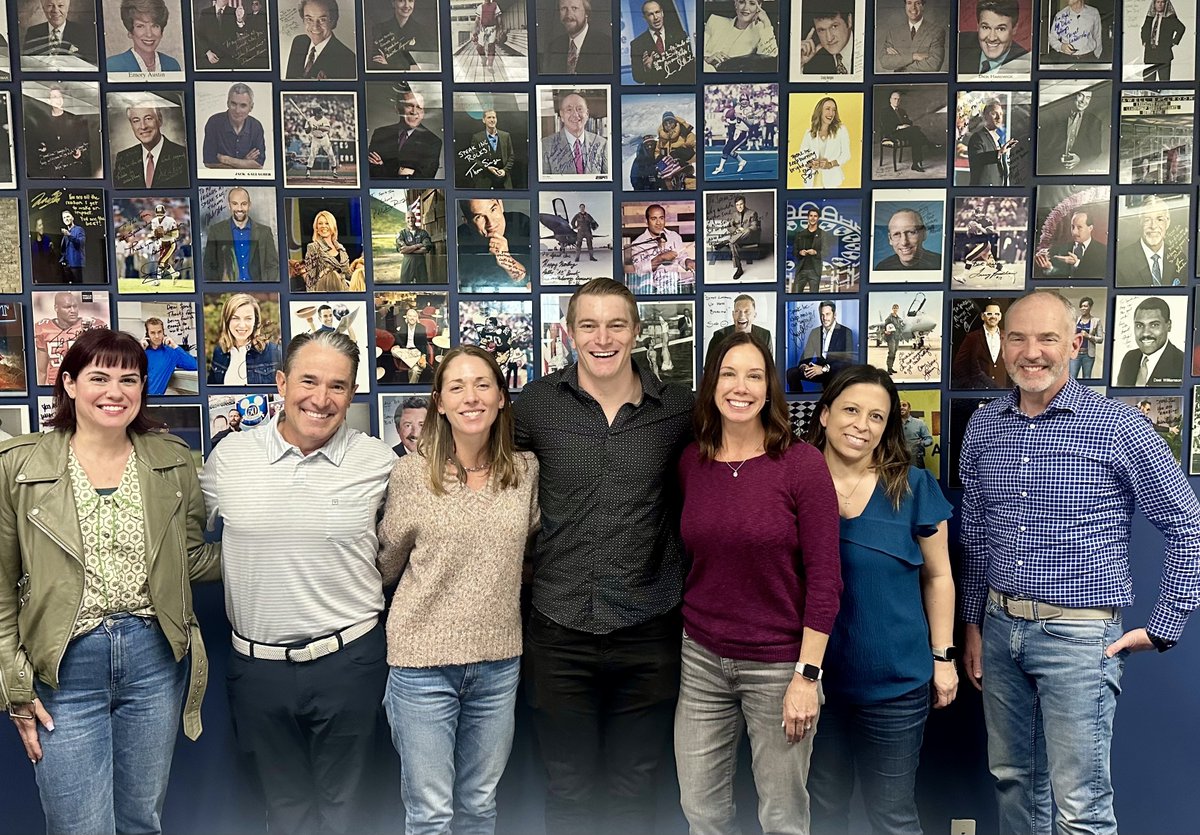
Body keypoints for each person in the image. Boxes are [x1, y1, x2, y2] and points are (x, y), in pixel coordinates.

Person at [959, 290, 1200, 835]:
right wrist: (973, 624)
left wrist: (1163, 627)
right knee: (1013, 781)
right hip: (999, 631)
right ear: (1002, 346)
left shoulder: (1119, 426)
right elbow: (977, 538)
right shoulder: (984, 426)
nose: (1032, 351)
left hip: (1080, 638)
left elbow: (1188, 525)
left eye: (1047, 338)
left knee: (1081, 807)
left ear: (1075, 343)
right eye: (1017, 337)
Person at [0, 329, 220, 835]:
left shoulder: (171, 461)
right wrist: (14, 683)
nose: (114, 392)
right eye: (98, 377)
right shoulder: (20, 466)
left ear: (143, 388)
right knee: (79, 825)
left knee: (142, 819)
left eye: (129, 379)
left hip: (154, 659)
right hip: (63, 666)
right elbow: (2, 586)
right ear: (70, 384)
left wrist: (275, 551)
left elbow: (188, 560)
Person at [513, 278, 694, 835]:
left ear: (636, 331)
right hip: (558, 628)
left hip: (649, 629)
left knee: (635, 789)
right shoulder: (536, 406)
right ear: (568, 333)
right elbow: (492, 484)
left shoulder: (679, 408)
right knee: (566, 789)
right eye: (588, 325)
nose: (602, 338)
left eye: (616, 324)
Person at [200, 331, 397, 835]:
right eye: (308, 380)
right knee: (283, 812)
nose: (321, 398)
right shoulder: (230, 458)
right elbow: (182, 539)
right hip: (257, 668)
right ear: (283, 383)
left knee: (351, 812)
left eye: (338, 386)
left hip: (349, 661)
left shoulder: (378, 462)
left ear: (352, 394)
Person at [675, 332, 841, 835]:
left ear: (770, 388)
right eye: (728, 374)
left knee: (783, 815)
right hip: (701, 658)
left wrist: (807, 677)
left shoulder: (801, 465)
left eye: (753, 376)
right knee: (701, 810)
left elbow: (826, 579)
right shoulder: (692, 463)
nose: (740, 387)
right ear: (711, 384)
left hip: (779, 665)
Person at [378, 346, 539, 835]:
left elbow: (530, 551)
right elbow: (387, 564)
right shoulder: (411, 474)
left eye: (483, 384)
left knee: (479, 805)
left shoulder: (526, 471)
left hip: (498, 663)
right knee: (430, 816)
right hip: (421, 667)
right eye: (456, 387)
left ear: (502, 399)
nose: (471, 397)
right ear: (439, 403)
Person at [803, 366, 956, 835]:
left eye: (876, 416)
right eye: (850, 410)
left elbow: (940, 576)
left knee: (892, 816)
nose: (861, 425)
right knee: (820, 814)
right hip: (812, 686)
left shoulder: (911, 486)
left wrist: (943, 656)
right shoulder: (792, 484)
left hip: (895, 686)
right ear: (825, 415)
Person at [203, 188, 280, 283]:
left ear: (249, 205)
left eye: (244, 204)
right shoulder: (216, 231)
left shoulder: (264, 232)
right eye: (235, 204)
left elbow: (273, 265)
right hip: (227, 291)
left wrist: (266, 286)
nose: (239, 208)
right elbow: (209, 266)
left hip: (257, 291)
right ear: (229, 205)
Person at [456, 198, 532, 292]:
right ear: (466, 221)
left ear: (501, 204)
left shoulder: (521, 224)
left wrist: (505, 258)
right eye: (479, 217)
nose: (491, 223)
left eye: (493, 209)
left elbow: (532, 284)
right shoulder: (459, 239)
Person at [207, 292, 282, 385]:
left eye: (248, 318)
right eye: (235, 318)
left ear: (256, 321)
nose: (242, 325)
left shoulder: (274, 352)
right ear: (227, 321)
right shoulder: (219, 352)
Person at [367, 87, 443, 179]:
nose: (414, 112)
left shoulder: (433, 142)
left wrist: (384, 167)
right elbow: (370, 171)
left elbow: (424, 178)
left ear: (423, 112)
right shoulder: (380, 134)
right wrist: (402, 171)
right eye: (409, 105)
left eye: (419, 107)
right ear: (398, 109)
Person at [35, 292, 106, 387]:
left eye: (75, 306)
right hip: (55, 385)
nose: (73, 310)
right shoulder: (43, 328)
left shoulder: (91, 325)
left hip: (83, 385)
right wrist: (41, 392)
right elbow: (41, 371)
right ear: (56, 308)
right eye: (67, 307)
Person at [113, 103, 190, 189]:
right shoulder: (123, 159)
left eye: (148, 118)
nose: (143, 126)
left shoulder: (184, 155)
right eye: (136, 121)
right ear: (131, 125)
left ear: (160, 120)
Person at [28, 84, 93, 179]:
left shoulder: (74, 120)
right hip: (51, 174)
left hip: (73, 172)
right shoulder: (42, 122)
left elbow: (84, 143)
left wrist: (80, 152)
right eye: (54, 97)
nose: (57, 100)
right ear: (48, 100)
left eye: (59, 96)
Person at [1115, 296, 1183, 387]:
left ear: (1169, 325)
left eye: (1154, 325)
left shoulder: (1182, 363)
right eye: (1139, 325)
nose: (1145, 333)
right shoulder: (1129, 358)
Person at [787, 300, 853, 391]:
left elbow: (847, 362)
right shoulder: (815, 332)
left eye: (827, 314)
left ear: (835, 315)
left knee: (833, 379)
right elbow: (806, 355)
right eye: (822, 315)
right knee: (791, 373)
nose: (824, 318)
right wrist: (804, 366)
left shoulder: (846, 332)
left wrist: (823, 369)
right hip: (817, 370)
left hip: (835, 371)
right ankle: (797, 402)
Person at [630, 203, 695, 294]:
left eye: (661, 218)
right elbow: (639, 271)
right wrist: (660, 258)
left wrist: (687, 261)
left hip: (673, 289)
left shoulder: (674, 237)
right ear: (646, 221)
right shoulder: (637, 244)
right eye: (654, 219)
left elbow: (682, 258)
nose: (658, 223)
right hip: (650, 292)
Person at [1115, 196, 1179, 286]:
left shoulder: (1179, 258)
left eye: (1159, 219)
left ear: (1167, 223)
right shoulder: (1121, 261)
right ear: (1140, 222)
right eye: (1147, 220)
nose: (1153, 226)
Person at [284, 0, 356, 79]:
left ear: (333, 21)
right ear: (303, 20)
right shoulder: (298, 42)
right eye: (309, 19)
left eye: (322, 20)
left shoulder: (348, 59)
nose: (315, 27)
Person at [542, 92, 608, 176]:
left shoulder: (602, 144)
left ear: (587, 114)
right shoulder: (545, 145)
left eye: (579, 109)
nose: (575, 114)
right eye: (569, 110)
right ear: (562, 115)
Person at [202, 83, 266, 170]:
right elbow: (209, 162)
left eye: (243, 105)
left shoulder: (256, 126)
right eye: (233, 104)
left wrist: (226, 159)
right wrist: (244, 162)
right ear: (227, 103)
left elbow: (258, 164)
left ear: (251, 107)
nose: (237, 110)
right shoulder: (214, 123)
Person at [1038, 89, 1103, 175]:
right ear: (1072, 95)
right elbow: (1042, 146)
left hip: (1077, 174)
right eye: (1081, 95)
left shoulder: (1094, 121)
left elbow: (1096, 151)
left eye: (1088, 97)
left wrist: (1080, 159)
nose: (1084, 101)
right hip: (1051, 171)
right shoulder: (1055, 116)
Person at [107, 0, 181, 73]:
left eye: (155, 26)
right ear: (130, 32)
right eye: (140, 26)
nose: (149, 34)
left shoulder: (172, 65)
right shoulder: (113, 66)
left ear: (161, 32)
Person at [630, 0, 695, 83]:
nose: (656, 17)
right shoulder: (637, 44)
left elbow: (690, 68)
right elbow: (637, 78)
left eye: (657, 12)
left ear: (662, 13)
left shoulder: (680, 35)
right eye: (650, 14)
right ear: (645, 18)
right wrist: (647, 69)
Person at [957, 0, 1028, 76]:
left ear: (1014, 29)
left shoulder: (1026, 64)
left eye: (1001, 29)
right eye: (985, 27)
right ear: (977, 26)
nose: (992, 38)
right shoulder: (958, 45)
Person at [702, 0, 778, 71]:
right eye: (742, 2)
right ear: (736, 4)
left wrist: (767, 22)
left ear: (759, 6)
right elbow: (695, 54)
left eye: (752, 3)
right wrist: (707, 59)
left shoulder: (761, 30)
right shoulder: (715, 22)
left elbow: (769, 58)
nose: (746, 8)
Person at [541, 0, 612, 74]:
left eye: (574, 8)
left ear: (586, 13)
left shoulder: (607, 45)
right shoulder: (553, 47)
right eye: (564, 8)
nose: (568, 15)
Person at [703, 294, 771, 370]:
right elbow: (708, 368)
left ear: (754, 315)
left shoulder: (765, 336)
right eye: (737, 311)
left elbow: (769, 368)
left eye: (747, 311)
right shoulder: (719, 336)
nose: (741, 316)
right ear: (733, 314)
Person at [22, 0, 98, 65]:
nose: (55, 10)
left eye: (60, 6)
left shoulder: (83, 32)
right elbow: (27, 63)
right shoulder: (33, 32)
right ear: (43, 8)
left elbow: (90, 64)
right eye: (50, 5)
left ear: (67, 7)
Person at [1034, 210, 1106, 279]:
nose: (1074, 232)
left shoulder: (1103, 251)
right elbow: (1058, 278)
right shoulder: (1059, 249)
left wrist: (1077, 264)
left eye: (1079, 227)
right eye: (1072, 227)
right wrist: (1049, 268)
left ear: (1090, 228)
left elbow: (1100, 276)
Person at [953, 302, 1009, 389]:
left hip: (1002, 391)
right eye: (989, 314)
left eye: (996, 314)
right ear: (982, 316)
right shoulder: (972, 338)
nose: (993, 317)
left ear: (1000, 317)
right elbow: (959, 365)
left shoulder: (1007, 337)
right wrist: (971, 386)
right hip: (979, 391)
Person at [878, 0, 945, 71]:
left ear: (923, 6)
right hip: (899, 81)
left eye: (917, 3)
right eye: (909, 3)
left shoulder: (936, 32)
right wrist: (914, 56)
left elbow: (934, 65)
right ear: (905, 6)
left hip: (922, 82)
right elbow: (884, 62)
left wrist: (899, 62)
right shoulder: (893, 33)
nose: (913, 7)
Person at [369, 0, 437, 69]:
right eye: (401, 1)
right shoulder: (379, 29)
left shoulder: (424, 32)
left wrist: (389, 65)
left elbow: (426, 66)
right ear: (393, 3)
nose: (406, 6)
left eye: (410, 1)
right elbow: (376, 64)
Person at [799, 96, 851, 188]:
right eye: (827, 109)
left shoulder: (841, 130)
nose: (831, 113)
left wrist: (830, 164)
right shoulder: (809, 133)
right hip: (812, 182)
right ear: (820, 111)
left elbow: (846, 154)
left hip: (833, 180)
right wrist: (810, 163)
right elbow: (802, 157)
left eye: (834, 110)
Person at [878, 90, 933, 173]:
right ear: (890, 100)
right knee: (916, 131)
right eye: (895, 99)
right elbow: (886, 126)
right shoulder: (885, 111)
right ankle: (928, 145)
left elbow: (909, 122)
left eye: (899, 99)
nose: (897, 101)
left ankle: (915, 164)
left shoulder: (902, 111)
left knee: (915, 135)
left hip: (904, 133)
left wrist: (907, 125)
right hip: (892, 134)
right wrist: (899, 127)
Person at [967, 99, 1019, 186]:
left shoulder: (997, 138)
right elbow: (977, 159)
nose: (999, 118)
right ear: (985, 116)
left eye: (1001, 114)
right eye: (994, 113)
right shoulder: (978, 137)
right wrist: (999, 152)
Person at [142, 317, 197, 396]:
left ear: (163, 332)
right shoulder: (142, 352)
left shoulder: (171, 352)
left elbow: (194, 365)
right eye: (153, 333)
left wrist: (174, 346)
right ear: (147, 334)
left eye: (159, 332)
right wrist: (139, 349)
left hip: (155, 400)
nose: (157, 336)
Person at [796, 0, 853, 73]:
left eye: (834, 26)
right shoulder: (813, 59)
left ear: (849, 20)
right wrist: (799, 64)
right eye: (821, 30)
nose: (829, 38)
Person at [876, 209, 941, 271]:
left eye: (911, 232)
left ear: (924, 234)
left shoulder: (940, 263)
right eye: (896, 234)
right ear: (890, 239)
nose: (904, 242)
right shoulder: (882, 267)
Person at [303, 211, 352, 293]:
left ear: (333, 226)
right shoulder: (313, 247)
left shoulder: (341, 248)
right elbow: (310, 279)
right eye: (320, 223)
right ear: (316, 228)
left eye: (327, 223)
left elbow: (347, 274)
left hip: (344, 292)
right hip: (324, 292)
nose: (323, 226)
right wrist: (311, 299)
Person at [467, 109, 516, 189]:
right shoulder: (477, 138)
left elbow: (511, 156)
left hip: (503, 182)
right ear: (484, 120)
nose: (492, 120)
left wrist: (505, 170)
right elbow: (473, 159)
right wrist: (486, 167)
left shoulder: (505, 136)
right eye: (489, 117)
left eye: (494, 117)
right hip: (485, 182)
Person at [1142, 0, 1186, 80]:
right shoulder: (1150, 17)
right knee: (1148, 81)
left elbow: (1181, 28)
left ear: (1166, 4)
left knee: (1164, 80)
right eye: (1158, 2)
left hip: (1164, 54)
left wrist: (1173, 42)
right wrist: (1144, 41)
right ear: (1154, 4)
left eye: (1162, 2)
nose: (1160, 5)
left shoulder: (1170, 18)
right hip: (1150, 53)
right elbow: (1144, 29)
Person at [723, 194, 760, 281]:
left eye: (741, 204)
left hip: (748, 237)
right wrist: (735, 230)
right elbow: (729, 226)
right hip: (738, 238)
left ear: (744, 203)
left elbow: (755, 227)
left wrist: (743, 229)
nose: (739, 206)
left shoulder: (752, 213)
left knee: (748, 230)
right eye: (737, 205)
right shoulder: (734, 214)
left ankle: (727, 241)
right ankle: (739, 269)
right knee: (733, 244)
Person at [656, 111, 697, 189]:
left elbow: (698, 152)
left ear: (675, 122)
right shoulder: (661, 139)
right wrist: (658, 158)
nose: (668, 125)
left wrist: (686, 158)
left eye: (671, 122)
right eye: (666, 123)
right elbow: (657, 152)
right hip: (667, 176)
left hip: (684, 171)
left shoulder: (686, 134)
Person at [389, 307, 431, 384]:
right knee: (393, 351)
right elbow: (398, 339)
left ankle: (412, 390)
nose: (412, 318)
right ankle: (414, 362)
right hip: (406, 351)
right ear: (406, 317)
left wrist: (423, 356)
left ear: (417, 318)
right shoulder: (402, 327)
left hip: (416, 351)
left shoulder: (421, 328)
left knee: (415, 370)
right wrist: (397, 345)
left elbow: (423, 344)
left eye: (414, 316)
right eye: (410, 316)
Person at [1070, 296, 1103, 379]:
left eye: (1085, 306)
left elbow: (1100, 339)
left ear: (1090, 307)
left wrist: (1088, 336)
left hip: (1088, 355)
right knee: (1072, 377)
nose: (1083, 308)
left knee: (1087, 378)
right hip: (1075, 354)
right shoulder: (1075, 320)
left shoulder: (1096, 321)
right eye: (1081, 306)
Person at [195, 0, 235, 67]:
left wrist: (240, 21)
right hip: (210, 59)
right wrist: (207, 52)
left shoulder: (234, 12)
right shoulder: (205, 12)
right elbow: (199, 35)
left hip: (230, 60)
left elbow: (241, 32)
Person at [793, 208, 824, 293]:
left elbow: (827, 252)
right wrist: (800, 252)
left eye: (815, 216)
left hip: (814, 271)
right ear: (807, 217)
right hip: (801, 270)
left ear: (818, 218)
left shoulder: (823, 235)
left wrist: (815, 252)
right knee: (795, 294)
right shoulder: (800, 234)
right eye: (811, 216)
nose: (813, 218)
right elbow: (794, 251)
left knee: (814, 296)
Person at [397, 213, 433, 282]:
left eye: (412, 217)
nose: (410, 220)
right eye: (408, 218)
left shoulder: (423, 233)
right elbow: (402, 250)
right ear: (405, 219)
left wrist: (409, 250)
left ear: (415, 219)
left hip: (420, 263)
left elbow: (426, 249)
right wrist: (417, 246)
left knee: (423, 285)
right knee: (404, 285)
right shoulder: (402, 233)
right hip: (407, 263)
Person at [898, 398, 933, 468]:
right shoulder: (893, 425)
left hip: (915, 459)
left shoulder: (919, 423)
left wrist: (921, 444)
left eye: (904, 405)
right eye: (899, 406)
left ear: (909, 408)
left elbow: (929, 439)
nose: (901, 407)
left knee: (917, 478)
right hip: (898, 459)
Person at [59, 210, 86, 284]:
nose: (66, 219)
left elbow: (80, 243)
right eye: (64, 218)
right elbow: (64, 250)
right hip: (67, 266)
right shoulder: (66, 233)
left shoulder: (79, 230)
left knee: (78, 287)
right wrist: (63, 261)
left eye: (68, 216)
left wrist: (69, 235)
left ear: (72, 218)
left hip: (76, 265)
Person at [883, 303, 905, 374]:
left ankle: (891, 367)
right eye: (894, 308)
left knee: (894, 352)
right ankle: (889, 369)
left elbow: (901, 327)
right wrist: (885, 331)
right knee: (891, 353)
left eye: (896, 308)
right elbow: (885, 326)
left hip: (897, 337)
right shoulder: (889, 318)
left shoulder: (899, 319)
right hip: (891, 337)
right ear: (892, 309)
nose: (895, 309)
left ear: (898, 309)